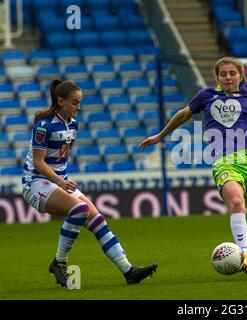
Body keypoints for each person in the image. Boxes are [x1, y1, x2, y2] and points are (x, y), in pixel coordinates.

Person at [139, 6, 247, 276]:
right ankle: (243, 253)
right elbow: (183, 114)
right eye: (223, 74)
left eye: (233, 73)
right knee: (235, 202)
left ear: (241, 75)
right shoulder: (206, 96)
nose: (228, 77)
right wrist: (161, 135)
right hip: (225, 161)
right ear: (218, 77)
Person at [22, 80, 157, 287]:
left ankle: (128, 270)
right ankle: (59, 262)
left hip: (57, 183)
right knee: (80, 209)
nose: (78, 107)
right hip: (36, 183)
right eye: (75, 103)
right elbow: (39, 163)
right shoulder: (44, 126)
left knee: (97, 219)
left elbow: (59, 160)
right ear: (60, 102)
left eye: (80, 102)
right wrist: (61, 181)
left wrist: (61, 181)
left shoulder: (73, 124)